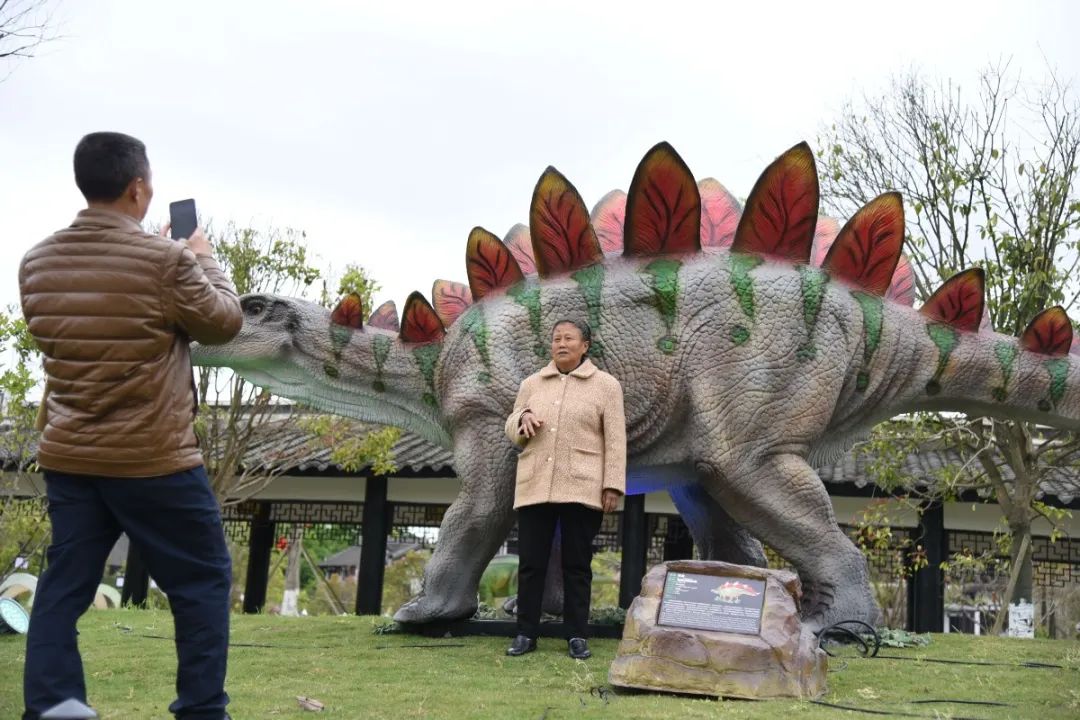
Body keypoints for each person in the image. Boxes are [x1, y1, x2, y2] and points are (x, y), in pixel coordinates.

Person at [17, 132, 243, 720]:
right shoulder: (166, 261)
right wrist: (201, 259)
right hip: (154, 458)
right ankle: (200, 709)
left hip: (70, 456)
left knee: (64, 583)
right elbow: (222, 323)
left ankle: (54, 704)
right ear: (138, 188)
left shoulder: (35, 263)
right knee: (202, 581)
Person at [503, 319, 626, 659]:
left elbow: (616, 440)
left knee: (577, 564)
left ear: (585, 345)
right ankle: (525, 634)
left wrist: (612, 484)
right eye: (556, 338)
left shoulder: (606, 386)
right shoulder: (532, 383)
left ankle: (577, 635)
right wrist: (522, 419)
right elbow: (511, 425)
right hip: (535, 484)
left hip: (583, 486)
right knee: (530, 564)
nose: (561, 343)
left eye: (569, 338)